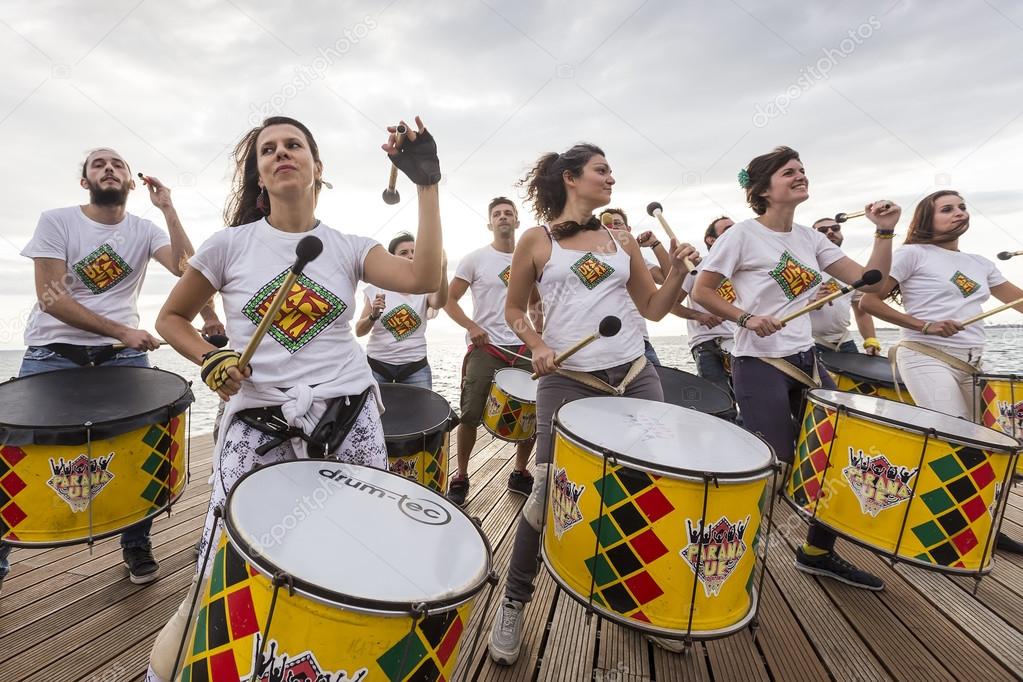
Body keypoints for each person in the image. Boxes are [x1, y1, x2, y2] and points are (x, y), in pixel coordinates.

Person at [144, 115, 444, 682]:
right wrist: (211, 359)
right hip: (257, 424)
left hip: (349, 418)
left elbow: (424, 274)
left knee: (354, 549)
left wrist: (427, 187)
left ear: (317, 168)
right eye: (268, 150)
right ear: (259, 175)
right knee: (228, 559)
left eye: (294, 146)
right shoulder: (229, 245)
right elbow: (171, 317)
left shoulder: (351, 247)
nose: (281, 153)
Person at [488, 143, 697, 664]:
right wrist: (536, 345)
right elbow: (515, 308)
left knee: (643, 492)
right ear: (570, 178)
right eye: (601, 170)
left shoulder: (620, 238)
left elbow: (652, 308)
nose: (610, 178)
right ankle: (514, 601)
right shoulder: (536, 240)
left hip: (634, 376)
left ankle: (636, 603)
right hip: (569, 382)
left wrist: (675, 273)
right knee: (545, 494)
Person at [0, 147, 222, 593]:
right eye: (98, 164)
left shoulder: (143, 228)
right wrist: (123, 329)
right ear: (85, 181)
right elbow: (51, 296)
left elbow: (187, 271)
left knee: (137, 448)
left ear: (130, 182)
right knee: (15, 451)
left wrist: (169, 208)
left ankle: (136, 544)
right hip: (52, 354)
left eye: (117, 164)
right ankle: (2, 557)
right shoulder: (57, 221)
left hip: (122, 358)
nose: (109, 168)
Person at [691, 146, 897, 595]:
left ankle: (818, 552)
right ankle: (723, 559)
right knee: (778, 466)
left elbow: (876, 283)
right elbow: (704, 292)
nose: (801, 176)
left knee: (833, 455)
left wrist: (884, 232)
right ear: (763, 188)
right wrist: (744, 317)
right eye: (790, 172)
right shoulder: (742, 235)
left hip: (806, 360)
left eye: (803, 170)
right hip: (758, 361)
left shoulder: (810, 239)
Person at [858, 190, 1023, 554]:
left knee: (988, 442)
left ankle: (984, 525)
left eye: (962, 207)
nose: (957, 212)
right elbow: (868, 300)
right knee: (956, 437)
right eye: (946, 209)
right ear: (926, 220)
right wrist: (923, 325)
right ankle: (938, 529)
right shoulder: (911, 253)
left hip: (972, 363)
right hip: (925, 354)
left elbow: (1018, 300)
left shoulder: (980, 262)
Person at [444, 197, 539, 505]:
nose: (502, 217)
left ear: (517, 222)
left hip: (523, 347)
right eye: (496, 214)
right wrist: (472, 327)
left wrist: (539, 333)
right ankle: (461, 475)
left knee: (529, 414)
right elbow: (448, 299)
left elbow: (536, 303)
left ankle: (520, 471)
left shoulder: (530, 259)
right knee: (470, 412)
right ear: (489, 223)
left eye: (508, 213)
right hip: (487, 347)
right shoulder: (475, 259)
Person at [355, 231, 448, 389]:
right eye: (404, 253)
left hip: (415, 367)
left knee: (421, 412)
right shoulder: (375, 289)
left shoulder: (425, 288)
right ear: (392, 259)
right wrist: (373, 315)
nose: (411, 256)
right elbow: (359, 331)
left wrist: (443, 269)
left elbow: (439, 302)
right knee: (372, 412)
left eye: (414, 252)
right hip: (377, 365)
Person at [676, 216, 739, 421]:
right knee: (720, 403)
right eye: (728, 229)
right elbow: (671, 304)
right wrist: (700, 315)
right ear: (711, 239)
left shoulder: (744, 266)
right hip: (707, 344)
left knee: (750, 400)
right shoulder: (695, 268)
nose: (735, 231)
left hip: (741, 342)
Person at [599, 207, 669, 365]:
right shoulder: (591, 258)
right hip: (602, 342)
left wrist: (655, 244)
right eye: (606, 224)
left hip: (638, 340)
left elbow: (667, 277)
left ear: (628, 229)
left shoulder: (636, 260)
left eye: (618, 224)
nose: (613, 228)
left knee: (658, 386)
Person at [809, 217, 882, 355]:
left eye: (835, 228)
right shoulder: (801, 268)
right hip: (809, 342)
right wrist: (810, 302)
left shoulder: (851, 273)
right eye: (822, 230)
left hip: (845, 342)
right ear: (813, 237)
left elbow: (861, 312)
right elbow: (780, 308)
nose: (830, 232)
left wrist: (871, 340)